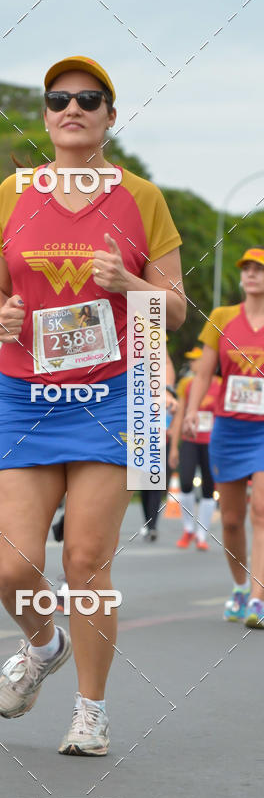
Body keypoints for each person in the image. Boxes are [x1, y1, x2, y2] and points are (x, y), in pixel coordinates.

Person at [0, 55, 185, 755]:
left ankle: (90, 712)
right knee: (14, 566)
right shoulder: (15, 192)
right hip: (25, 398)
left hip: (112, 397)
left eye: (89, 99)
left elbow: (175, 310)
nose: (73, 108)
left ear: (110, 117)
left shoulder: (142, 199)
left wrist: (130, 283)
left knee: (86, 560)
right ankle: (44, 644)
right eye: (59, 98)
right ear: (45, 116)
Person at [184, 249, 264, 627]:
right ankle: (240, 587)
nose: (251, 274)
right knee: (231, 520)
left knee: (261, 510)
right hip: (228, 430)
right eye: (246, 268)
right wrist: (191, 411)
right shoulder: (221, 318)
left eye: (259, 269)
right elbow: (203, 373)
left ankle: (258, 600)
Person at [169, 347, 220, 551]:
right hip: (190, 440)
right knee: (185, 482)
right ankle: (188, 528)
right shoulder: (187, 384)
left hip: (212, 443)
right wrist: (174, 447)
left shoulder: (220, 384)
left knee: (209, 488)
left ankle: (201, 535)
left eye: (196, 360)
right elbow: (179, 416)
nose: (192, 364)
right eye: (190, 360)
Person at [138, 347, 177, 541]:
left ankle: (152, 526)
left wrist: (172, 432)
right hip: (140, 442)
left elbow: (174, 413)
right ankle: (148, 522)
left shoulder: (166, 389)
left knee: (155, 484)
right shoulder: (136, 386)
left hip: (161, 442)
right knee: (144, 485)